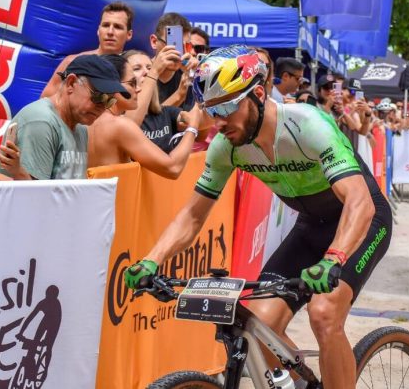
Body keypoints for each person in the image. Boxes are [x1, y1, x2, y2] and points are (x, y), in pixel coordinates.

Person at [124, 45, 392, 389]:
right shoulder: (227, 147)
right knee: (257, 328)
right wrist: (151, 261)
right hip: (311, 226)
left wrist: (334, 258)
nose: (219, 122)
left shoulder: (307, 124)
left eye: (226, 108)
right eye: (210, 111)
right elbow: (192, 216)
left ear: (259, 94)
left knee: (324, 313)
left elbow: (360, 201)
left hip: (361, 220)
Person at [0, 54, 129, 180]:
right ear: (71, 83)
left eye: (109, 101)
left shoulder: (80, 127)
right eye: (98, 96)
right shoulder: (41, 122)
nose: (102, 106)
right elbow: (33, 198)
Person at [87, 55, 200, 179]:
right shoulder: (120, 125)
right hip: (116, 198)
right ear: (113, 85)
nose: (139, 89)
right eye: (132, 83)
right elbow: (173, 168)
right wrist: (192, 127)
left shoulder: (86, 121)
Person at [40, 1, 134, 98]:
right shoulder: (73, 62)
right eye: (106, 25)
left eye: (117, 27)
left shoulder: (133, 69)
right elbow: (45, 101)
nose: (110, 32)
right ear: (98, 30)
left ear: (129, 34)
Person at [150, 13, 198, 110]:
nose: (180, 52)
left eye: (187, 46)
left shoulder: (187, 75)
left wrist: (200, 78)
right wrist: (179, 96)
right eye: (174, 44)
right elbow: (145, 121)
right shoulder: (140, 73)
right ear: (154, 42)